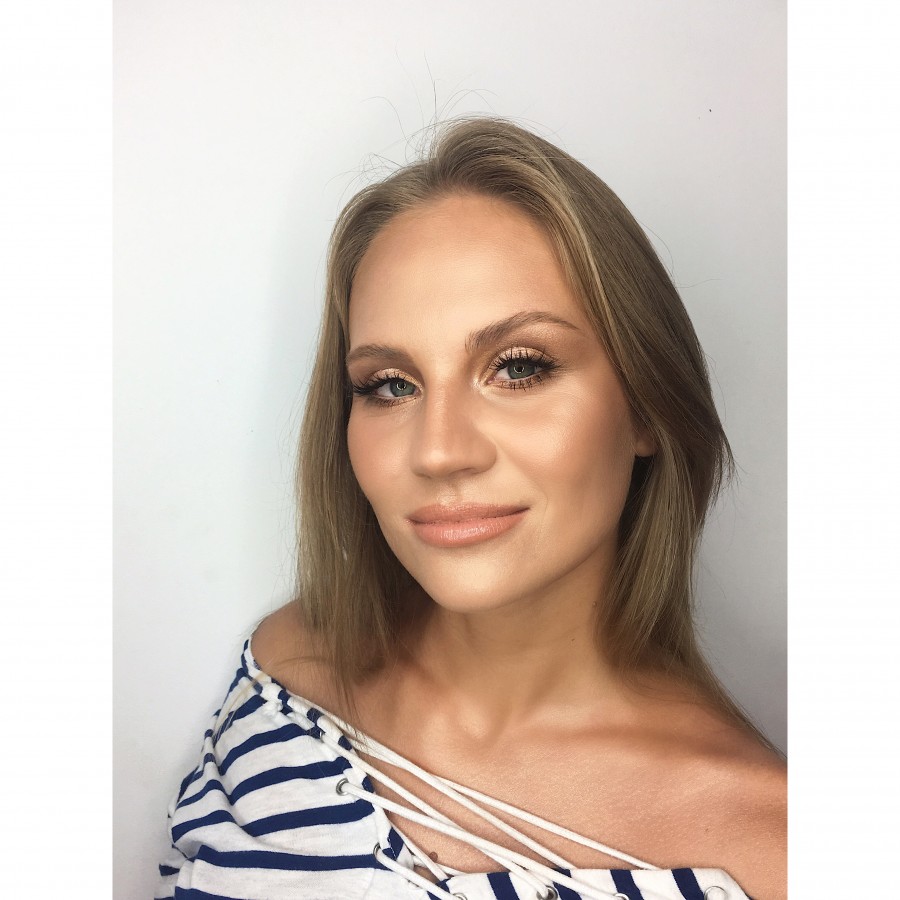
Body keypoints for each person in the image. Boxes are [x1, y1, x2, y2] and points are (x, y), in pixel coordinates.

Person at [156, 117, 786, 900]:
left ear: (647, 408)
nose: (438, 451)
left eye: (518, 368)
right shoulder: (283, 677)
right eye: (391, 385)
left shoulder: (772, 853)